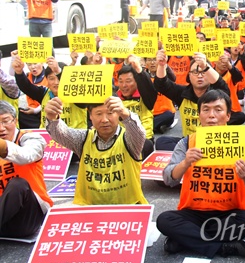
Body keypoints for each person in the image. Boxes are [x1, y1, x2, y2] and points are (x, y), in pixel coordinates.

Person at [157, 90, 245, 258]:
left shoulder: (240, 144)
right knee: (164, 220)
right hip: (193, 213)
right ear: (199, 115)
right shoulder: (186, 143)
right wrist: (185, 163)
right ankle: (223, 247)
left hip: (229, 213)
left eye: (218, 109)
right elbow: (168, 178)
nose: (211, 115)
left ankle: (186, 239)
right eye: (206, 110)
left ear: (228, 116)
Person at [44, 96, 147, 205]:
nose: (105, 120)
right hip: (89, 209)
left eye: (110, 113)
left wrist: (125, 113)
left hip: (128, 207)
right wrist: (52, 117)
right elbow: (60, 134)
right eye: (98, 114)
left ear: (118, 114)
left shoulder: (129, 139)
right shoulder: (83, 139)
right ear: (90, 116)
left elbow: (138, 133)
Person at [154, 51, 230, 151]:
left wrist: (205, 66)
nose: (200, 76)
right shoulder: (182, 93)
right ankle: (192, 155)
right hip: (190, 142)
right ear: (189, 75)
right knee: (161, 142)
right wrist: (161, 65)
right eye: (195, 72)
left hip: (215, 143)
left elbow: (222, 84)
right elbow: (161, 85)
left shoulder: (219, 93)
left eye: (203, 71)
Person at [0, 100, 52, 238]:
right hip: (3, 219)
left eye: (5, 121)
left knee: (18, 184)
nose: (1, 128)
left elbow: (25, 156)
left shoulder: (31, 138)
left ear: (15, 120)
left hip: (28, 217)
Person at [13, 54, 87, 129]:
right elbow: (26, 87)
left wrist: (58, 72)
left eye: (58, 78)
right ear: (46, 79)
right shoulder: (44, 93)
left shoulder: (76, 93)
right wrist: (19, 72)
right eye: (51, 78)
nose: (56, 82)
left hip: (75, 137)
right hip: (47, 138)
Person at [116, 57, 157, 158]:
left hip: (143, 140)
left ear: (137, 82)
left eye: (128, 81)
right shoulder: (115, 98)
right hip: (121, 140)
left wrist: (139, 69)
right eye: (120, 81)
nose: (124, 85)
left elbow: (149, 87)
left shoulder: (145, 97)